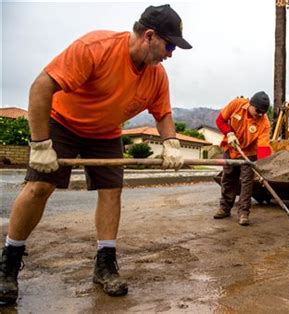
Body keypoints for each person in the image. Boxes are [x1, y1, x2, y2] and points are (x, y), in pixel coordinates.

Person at [0, 4, 191, 304]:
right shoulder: (96, 48)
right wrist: (40, 145)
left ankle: (104, 264)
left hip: (105, 131)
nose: (171, 53)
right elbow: (40, 87)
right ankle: (8, 264)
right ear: (149, 36)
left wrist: (171, 143)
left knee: (112, 190)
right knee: (39, 186)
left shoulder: (157, 75)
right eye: (169, 45)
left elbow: (163, 113)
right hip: (63, 121)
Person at [213, 92, 272, 226]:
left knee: (247, 182)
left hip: (249, 153)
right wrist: (229, 133)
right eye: (258, 111)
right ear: (251, 104)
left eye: (263, 112)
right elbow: (220, 120)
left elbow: (263, 146)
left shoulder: (264, 122)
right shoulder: (237, 104)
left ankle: (244, 213)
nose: (260, 114)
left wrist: (262, 169)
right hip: (231, 147)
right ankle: (225, 208)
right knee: (228, 177)